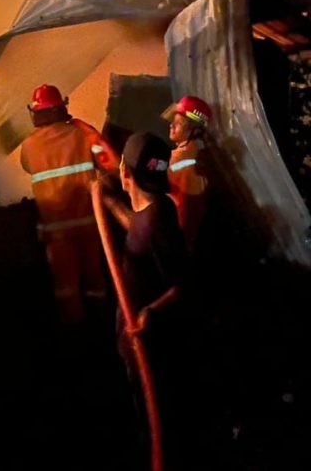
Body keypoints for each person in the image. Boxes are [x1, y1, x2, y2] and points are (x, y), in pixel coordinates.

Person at [92, 132, 193, 467]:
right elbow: (135, 226)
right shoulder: (153, 208)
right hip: (135, 336)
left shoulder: (161, 223)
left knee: (155, 410)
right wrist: (108, 203)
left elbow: (184, 283)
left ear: (126, 174)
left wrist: (151, 312)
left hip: (148, 341)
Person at [20, 83, 119, 326]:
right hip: (88, 226)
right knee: (95, 280)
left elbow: (27, 166)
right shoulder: (82, 136)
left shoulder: (28, 146)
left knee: (66, 289)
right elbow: (110, 162)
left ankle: (74, 333)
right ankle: (102, 325)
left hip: (56, 234)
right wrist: (84, 127)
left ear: (36, 113)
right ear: (62, 109)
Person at [162, 95, 212, 254]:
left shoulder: (179, 158)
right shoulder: (199, 153)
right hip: (191, 236)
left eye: (178, 123)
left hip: (177, 235)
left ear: (194, 130)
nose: (171, 126)